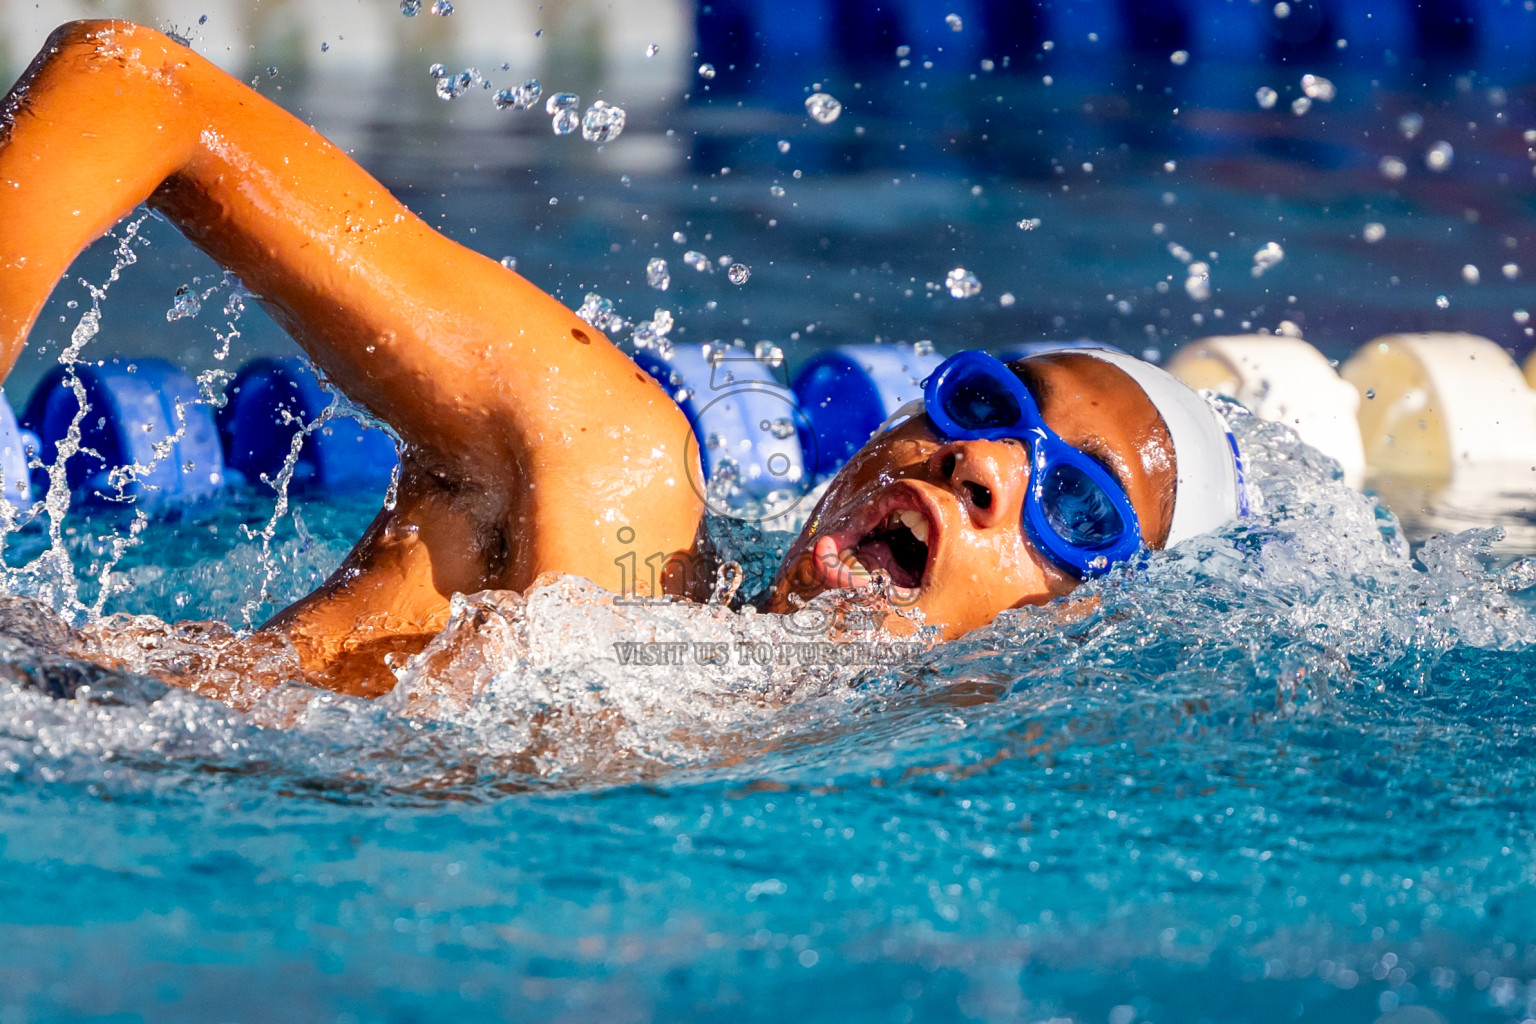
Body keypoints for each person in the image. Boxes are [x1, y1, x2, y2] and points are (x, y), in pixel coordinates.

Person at [0, 20, 1246, 700]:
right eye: (988, 405)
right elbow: (133, 88)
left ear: (1074, 636)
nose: (985, 465)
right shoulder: (606, 484)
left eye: (1073, 504)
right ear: (879, 437)